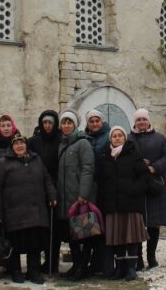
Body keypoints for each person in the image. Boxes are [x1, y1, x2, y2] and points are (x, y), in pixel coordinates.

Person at [0, 134, 57, 284]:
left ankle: (34, 271)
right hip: (14, 212)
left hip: (35, 211)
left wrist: (52, 194)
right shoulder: (3, 163)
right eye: (16, 143)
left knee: (35, 244)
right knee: (15, 245)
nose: (19, 145)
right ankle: (16, 271)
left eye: (22, 143)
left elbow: (46, 178)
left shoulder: (36, 159)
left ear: (26, 145)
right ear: (12, 146)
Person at [99, 126, 149, 281]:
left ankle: (131, 269)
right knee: (117, 237)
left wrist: (134, 190)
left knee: (131, 237)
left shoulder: (133, 153)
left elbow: (144, 175)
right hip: (112, 204)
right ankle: (120, 268)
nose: (117, 138)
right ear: (110, 139)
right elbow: (101, 180)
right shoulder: (106, 155)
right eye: (114, 136)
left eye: (120, 135)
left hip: (130, 202)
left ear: (124, 138)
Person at [128, 108, 166, 270]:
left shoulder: (159, 138)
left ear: (148, 121)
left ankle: (151, 256)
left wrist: (154, 167)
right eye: (138, 120)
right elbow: (125, 160)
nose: (141, 122)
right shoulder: (128, 139)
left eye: (143, 119)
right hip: (137, 186)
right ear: (134, 122)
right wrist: (139, 165)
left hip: (155, 185)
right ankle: (138, 258)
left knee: (154, 224)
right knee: (137, 223)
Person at [55, 109, 96, 281]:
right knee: (72, 234)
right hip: (66, 197)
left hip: (80, 197)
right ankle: (76, 265)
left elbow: (88, 169)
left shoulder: (83, 143)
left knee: (84, 234)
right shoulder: (62, 144)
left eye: (69, 122)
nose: (66, 125)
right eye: (64, 122)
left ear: (75, 125)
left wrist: (83, 194)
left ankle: (82, 268)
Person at [28, 110, 62, 274]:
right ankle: (41, 261)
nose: (47, 126)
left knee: (53, 229)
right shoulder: (33, 141)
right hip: (37, 189)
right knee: (40, 227)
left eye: (50, 123)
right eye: (45, 123)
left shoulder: (60, 140)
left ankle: (52, 261)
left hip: (54, 188)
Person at [84, 109, 113, 276]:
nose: (95, 124)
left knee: (103, 225)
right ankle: (93, 261)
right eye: (91, 121)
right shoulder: (85, 138)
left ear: (102, 122)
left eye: (97, 121)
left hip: (105, 186)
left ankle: (102, 262)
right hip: (90, 187)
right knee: (91, 225)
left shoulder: (108, 137)